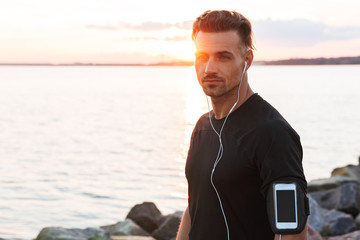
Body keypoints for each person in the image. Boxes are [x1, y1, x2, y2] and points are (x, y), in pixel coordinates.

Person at [176, 10, 308, 240]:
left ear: (246, 61)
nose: (209, 69)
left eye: (223, 56)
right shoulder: (202, 127)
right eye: (202, 56)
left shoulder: (272, 133)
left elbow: (292, 233)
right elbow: (194, 205)